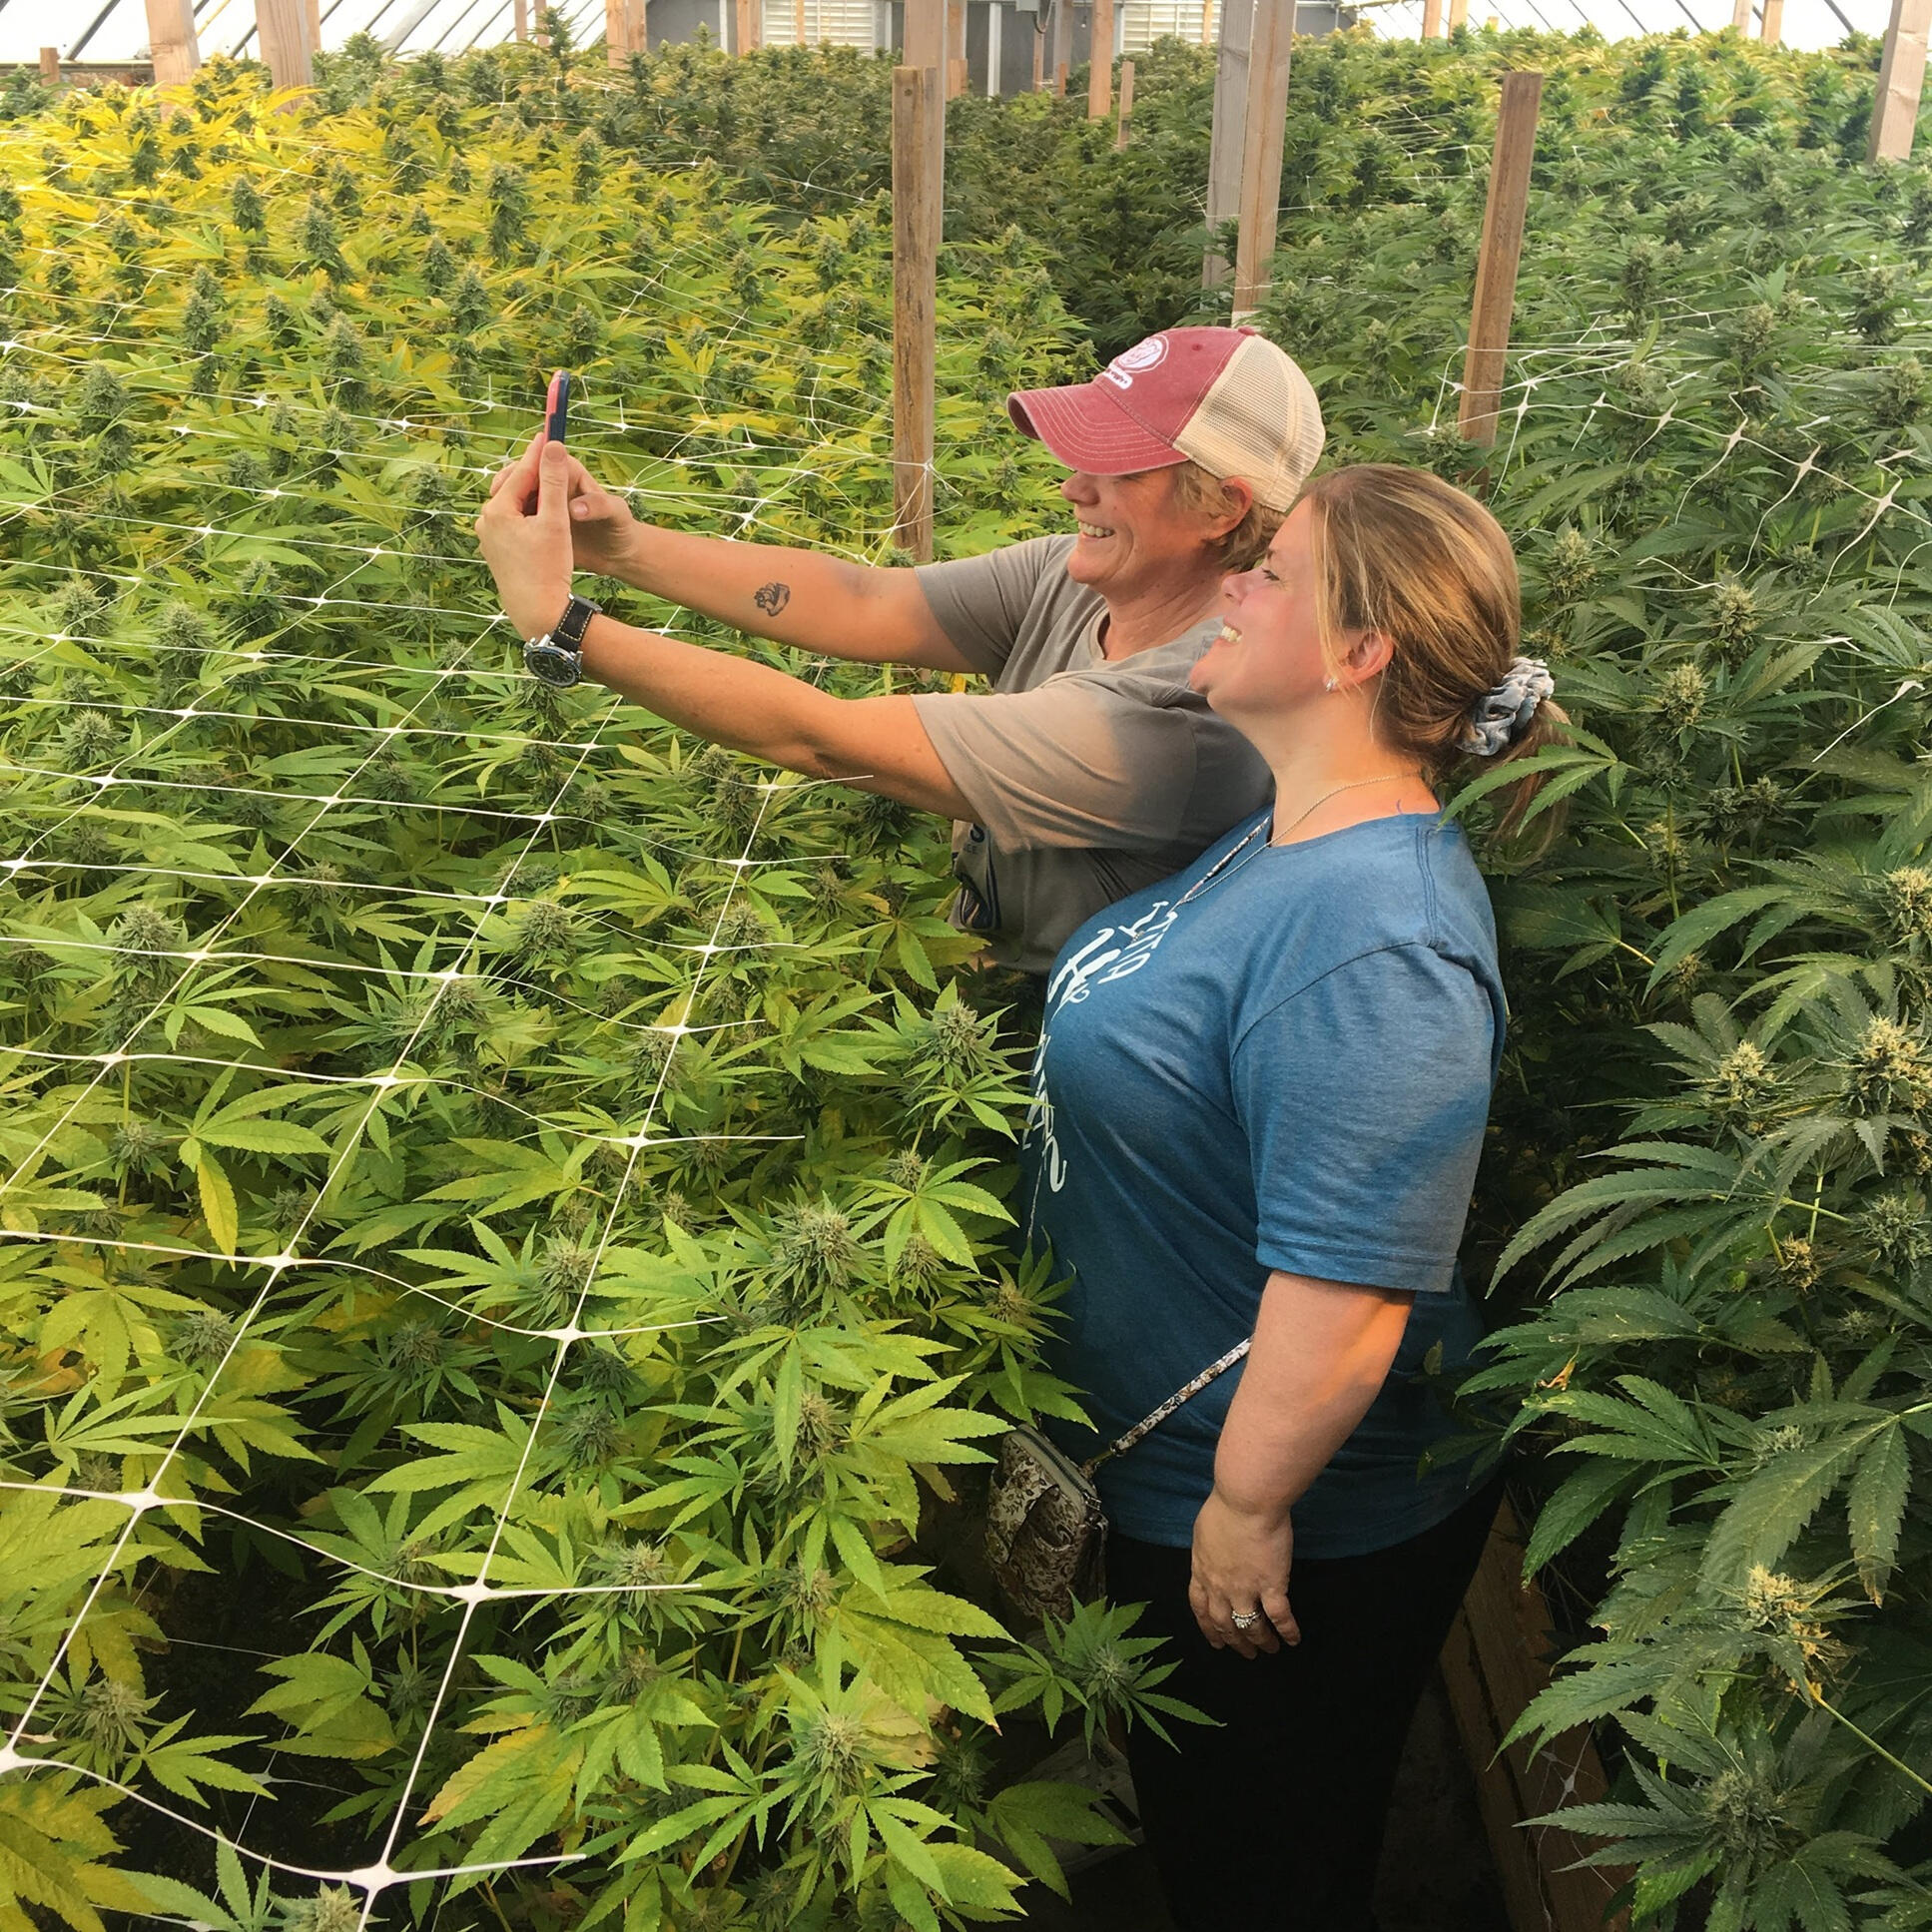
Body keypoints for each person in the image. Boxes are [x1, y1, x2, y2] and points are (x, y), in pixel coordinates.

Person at [1022, 464, 1565, 1930]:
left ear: (1357, 650)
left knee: (1260, 1861)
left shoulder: (1378, 936)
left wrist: (1244, 1503)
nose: (1234, 585)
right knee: (1222, 1835)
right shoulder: (1295, 832)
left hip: (1279, 1532)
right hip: (1179, 1470)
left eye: (1273, 571)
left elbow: (1348, 1287)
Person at [472, 326, 1324, 976]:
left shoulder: (1188, 710)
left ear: (1221, 507)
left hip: (1062, 1043)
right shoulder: (1090, 574)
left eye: (1116, 464)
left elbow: (824, 739)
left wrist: (561, 624)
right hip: (987, 970)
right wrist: (621, 545)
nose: (1071, 484)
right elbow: (862, 599)